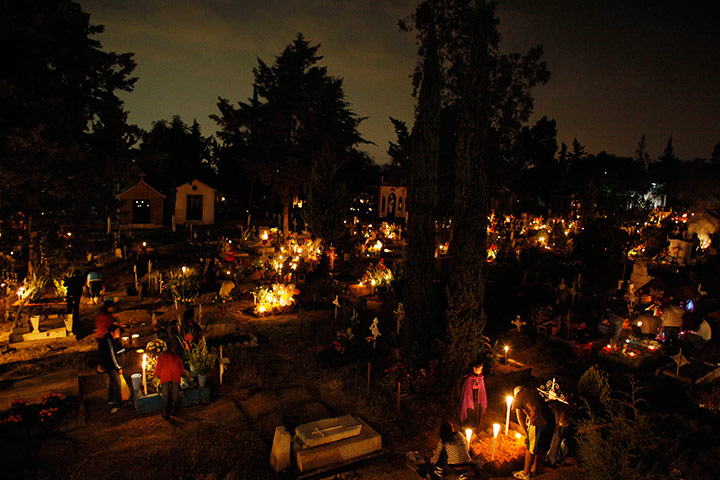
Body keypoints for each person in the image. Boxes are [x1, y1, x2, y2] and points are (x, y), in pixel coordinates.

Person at [512, 385, 555, 480]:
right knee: (539, 446)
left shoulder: (518, 397)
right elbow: (538, 407)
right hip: (550, 420)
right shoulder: (533, 393)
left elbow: (519, 417)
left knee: (530, 447)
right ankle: (535, 468)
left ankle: (526, 473)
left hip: (538, 422)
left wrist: (525, 432)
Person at [98, 324, 125, 413]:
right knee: (117, 384)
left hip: (111, 365)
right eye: (117, 332)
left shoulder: (113, 339)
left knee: (112, 382)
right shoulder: (108, 341)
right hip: (111, 366)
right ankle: (117, 404)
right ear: (112, 333)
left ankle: (111, 399)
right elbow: (112, 355)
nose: (119, 333)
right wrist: (118, 367)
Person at [155, 343, 185, 419]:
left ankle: (165, 412)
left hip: (165, 376)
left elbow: (157, 371)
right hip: (176, 374)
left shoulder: (161, 357)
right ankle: (174, 410)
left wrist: (159, 376)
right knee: (175, 392)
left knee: (165, 394)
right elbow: (181, 369)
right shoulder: (177, 357)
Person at [459, 360, 487, 430]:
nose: (480, 370)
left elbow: (482, 389)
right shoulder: (469, 378)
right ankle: (468, 426)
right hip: (470, 398)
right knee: (470, 412)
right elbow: (467, 391)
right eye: (479, 369)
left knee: (477, 411)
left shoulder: (480, 377)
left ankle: (475, 425)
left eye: (481, 369)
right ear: (474, 368)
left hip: (478, 398)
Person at [95, 298, 118, 372]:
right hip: (103, 336)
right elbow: (107, 325)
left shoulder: (103, 314)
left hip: (102, 335)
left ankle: (104, 366)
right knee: (103, 352)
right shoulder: (104, 316)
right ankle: (100, 367)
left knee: (104, 352)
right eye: (111, 307)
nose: (113, 308)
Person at [63, 269, 84, 335]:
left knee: (69, 307)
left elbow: (65, 285)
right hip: (77, 295)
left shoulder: (70, 279)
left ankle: (69, 320)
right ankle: (75, 319)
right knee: (76, 307)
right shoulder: (80, 279)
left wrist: (66, 279)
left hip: (70, 294)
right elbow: (83, 284)